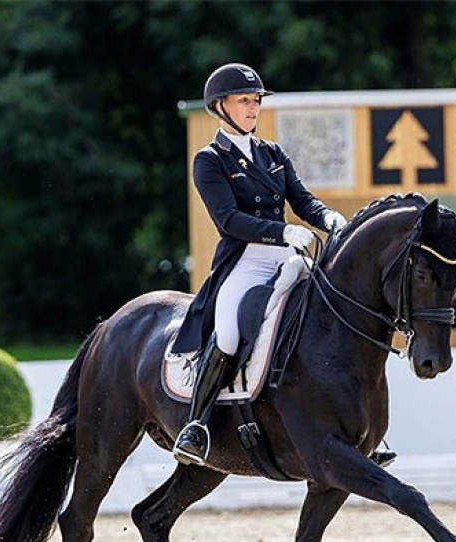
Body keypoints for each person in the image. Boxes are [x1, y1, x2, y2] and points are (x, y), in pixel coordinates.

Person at [168, 62, 349, 466]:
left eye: (255, 101)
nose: (253, 108)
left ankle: (349, 420)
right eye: (244, 101)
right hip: (245, 260)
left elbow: (301, 201)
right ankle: (196, 426)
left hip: (288, 256)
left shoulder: (272, 153)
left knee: (329, 312)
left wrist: (326, 217)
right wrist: (282, 232)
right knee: (230, 333)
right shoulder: (210, 159)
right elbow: (228, 220)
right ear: (220, 106)